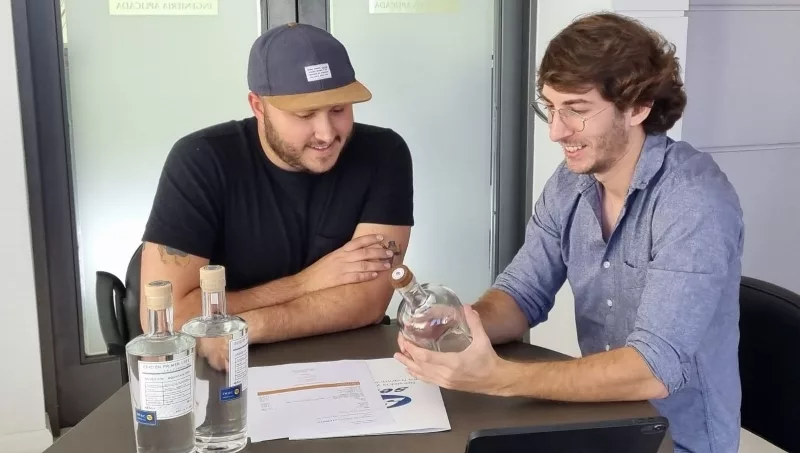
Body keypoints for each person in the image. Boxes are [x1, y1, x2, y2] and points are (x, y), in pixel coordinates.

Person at [394, 12, 743, 453]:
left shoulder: (693, 201)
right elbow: (521, 294)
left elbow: (651, 371)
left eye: (576, 110)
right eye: (550, 107)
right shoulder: (571, 183)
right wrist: (459, 328)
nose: (557, 132)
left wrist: (498, 378)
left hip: (678, 442)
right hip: (603, 424)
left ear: (638, 107)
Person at [139, 22, 414, 346]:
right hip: (229, 364)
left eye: (339, 109)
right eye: (305, 115)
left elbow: (367, 302)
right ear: (259, 106)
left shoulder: (383, 154)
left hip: (340, 358)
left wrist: (248, 327)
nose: (327, 133)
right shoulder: (201, 160)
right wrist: (305, 283)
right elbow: (168, 318)